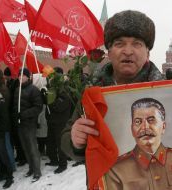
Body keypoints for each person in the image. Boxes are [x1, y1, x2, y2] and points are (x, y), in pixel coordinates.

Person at [61, 10, 163, 161]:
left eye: (137, 44)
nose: (128, 51)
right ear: (108, 52)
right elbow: (67, 138)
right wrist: (75, 140)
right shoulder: (93, 91)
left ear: (147, 53)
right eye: (119, 44)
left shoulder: (166, 91)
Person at [104, 98, 172, 190]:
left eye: (151, 120)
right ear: (132, 129)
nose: (144, 127)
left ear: (163, 127)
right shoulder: (116, 169)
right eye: (138, 122)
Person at [13, 68, 43, 182]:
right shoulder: (17, 90)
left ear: (28, 77)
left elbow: (38, 107)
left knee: (32, 148)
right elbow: (15, 106)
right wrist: (16, 116)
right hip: (20, 124)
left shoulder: (34, 90)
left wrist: (24, 114)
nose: (20, 77)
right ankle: (31, 168)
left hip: (30, 123)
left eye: (22, 75)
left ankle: (37, 171)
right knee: (25, 148)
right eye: (19, 75)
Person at [45, 67, 72, 174]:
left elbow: (60, 106)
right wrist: (46, 94)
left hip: (61, 121)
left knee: (60, 143)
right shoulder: (53, 88)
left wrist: (51, 101)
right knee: (50, 142)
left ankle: (63, 164)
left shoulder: (65, 88)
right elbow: (48, 103)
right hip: (52, 120)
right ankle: (54, 160)